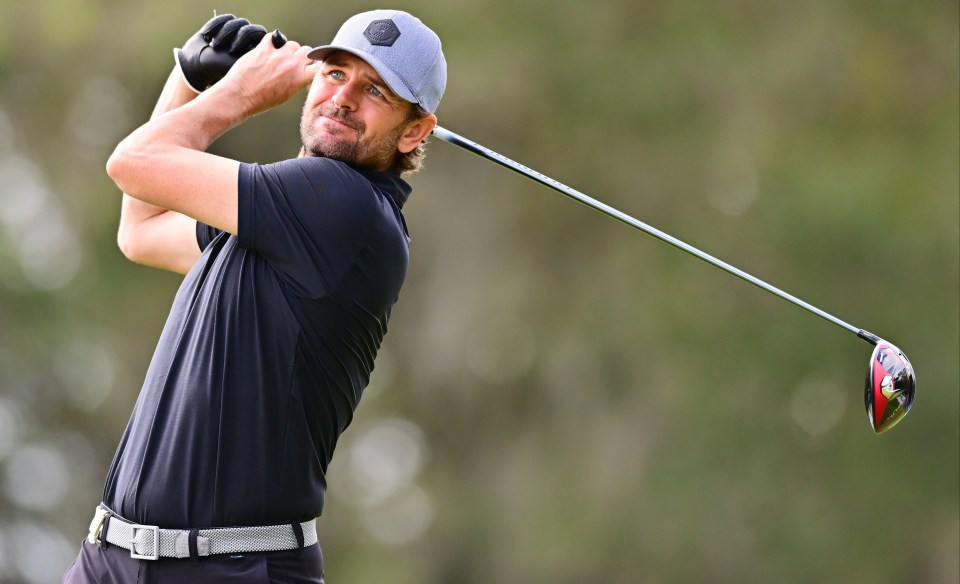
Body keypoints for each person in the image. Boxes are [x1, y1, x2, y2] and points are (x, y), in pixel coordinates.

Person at [62, 9, 446, 583]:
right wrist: (188, 80)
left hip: (231, 568)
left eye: (375, 92)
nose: (342, 98)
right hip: (112, 557)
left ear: (415, 130)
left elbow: (131, 163)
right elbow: (140, 231)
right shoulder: (280, 217)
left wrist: (236, 93)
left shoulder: (342, 206)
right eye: (335, 73)